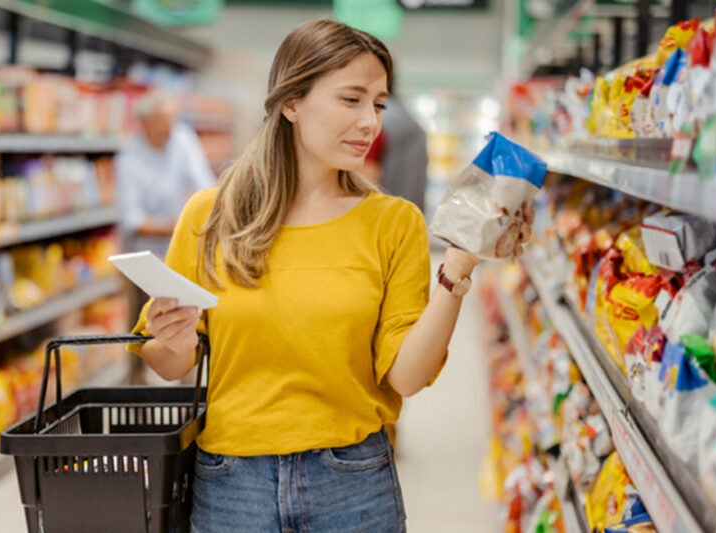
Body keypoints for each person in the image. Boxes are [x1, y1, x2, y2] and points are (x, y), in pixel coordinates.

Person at [128, 20, 531, 531]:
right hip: (232, 485)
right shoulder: (212, 216)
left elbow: (406, 377)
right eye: (352, 100)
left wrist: (457, 270)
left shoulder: (393, 222)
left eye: (379, 104)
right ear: (292, 103)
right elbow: (170, 362)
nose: (370, 122)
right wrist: (171, 336)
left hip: (353, 481)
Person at [114, 90, 216, 381]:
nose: (170, 127)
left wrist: (196, 219)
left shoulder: (182, 140)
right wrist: (181, 223)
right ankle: (137, 383)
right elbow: (133, 219)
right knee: (143, 323)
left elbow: (204, 187)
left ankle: (187, 382)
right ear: (144, 123)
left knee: (186, 321)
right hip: (143, 256)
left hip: (180, 248)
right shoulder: (130, 158)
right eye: (163, 121)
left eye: (173, 119)